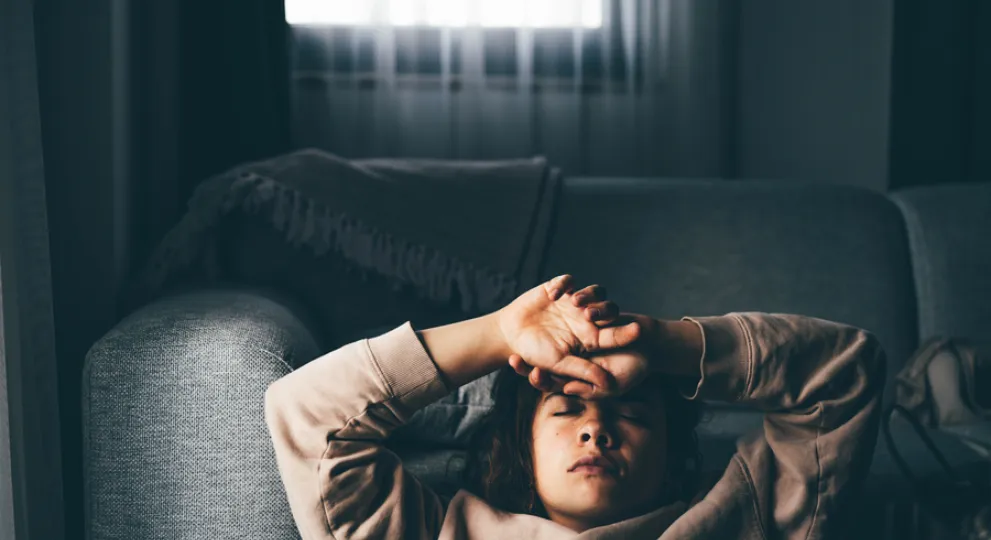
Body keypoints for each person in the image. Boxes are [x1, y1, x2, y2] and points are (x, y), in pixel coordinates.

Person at [265, 275, 886, 539]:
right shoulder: (444, 532)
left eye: (634, 413)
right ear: (521, 446)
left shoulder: (745, 519)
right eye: (564, 410)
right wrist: (499, 335)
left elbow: (844, 374)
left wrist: (661, 343)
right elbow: (308, 413)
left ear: (673, 451)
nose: (597, 428)